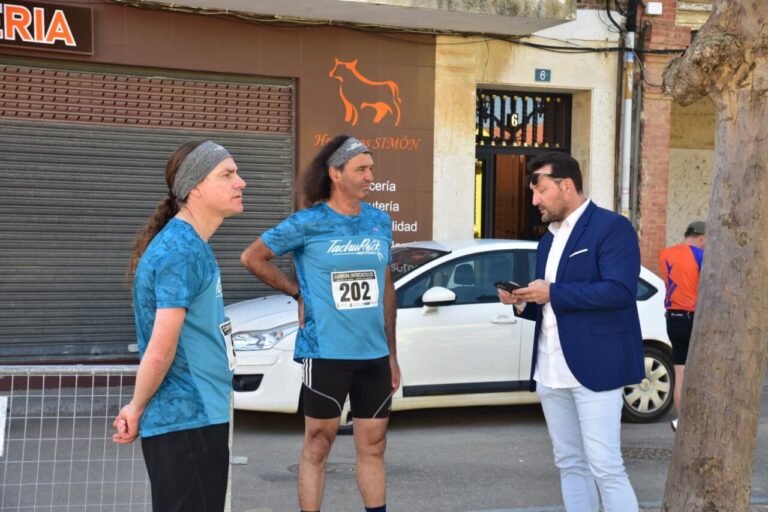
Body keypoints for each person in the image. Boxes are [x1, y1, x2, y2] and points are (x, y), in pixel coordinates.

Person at [240, 134, 399, 512]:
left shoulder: (379, 222)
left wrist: (392, 353)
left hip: (373, 354)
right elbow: (252, 257)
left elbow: (386, 286)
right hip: (325, 352)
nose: (370, 176)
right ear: (336, 174)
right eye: (362, 169)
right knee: (318, 444)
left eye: (371, 168)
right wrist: (297, 293)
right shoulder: (308, 223)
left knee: (374, 446)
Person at [498, 152, 644, 512]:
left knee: (606, 467)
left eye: (541, 191)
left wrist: (552, 292)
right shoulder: (548, 239)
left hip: (596, 369)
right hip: (550, 371)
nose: (534, 201)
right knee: (569, 465)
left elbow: (620, 290)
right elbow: (549, 304)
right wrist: (521, 301)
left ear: (567, 185)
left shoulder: (612, 227)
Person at [112, 140, 246, 512]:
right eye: (228, 174)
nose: (242, 182)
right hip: (187, 422)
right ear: (195, 187)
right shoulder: (181, 250)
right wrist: (136, 408)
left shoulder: (191, 245)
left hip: (196, 421)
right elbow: (161, 348)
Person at [658, 220, 705, 432]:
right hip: (692, 318)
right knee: (702, 372)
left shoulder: (665, 253)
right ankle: (698, 420)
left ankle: (682, 421)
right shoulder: (699, 255)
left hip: (672, 319)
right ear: (702, 237)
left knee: (681, 374)